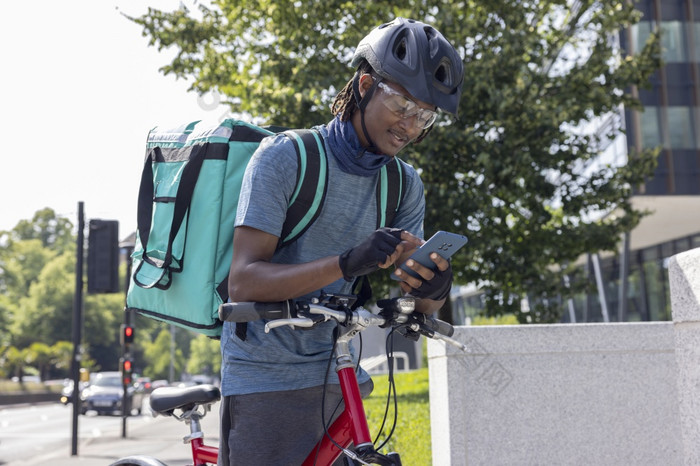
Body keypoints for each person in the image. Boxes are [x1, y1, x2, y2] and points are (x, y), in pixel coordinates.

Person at [219, 17, 464, 465]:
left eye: (424, 116)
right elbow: (244, 282)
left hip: (341, 372)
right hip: (267, 377)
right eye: (402, 105)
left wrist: (432, 289)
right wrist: (347, 262)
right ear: (366, 85)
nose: (410, 127)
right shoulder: (287, 157)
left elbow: (416, 304)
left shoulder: (404, 185)